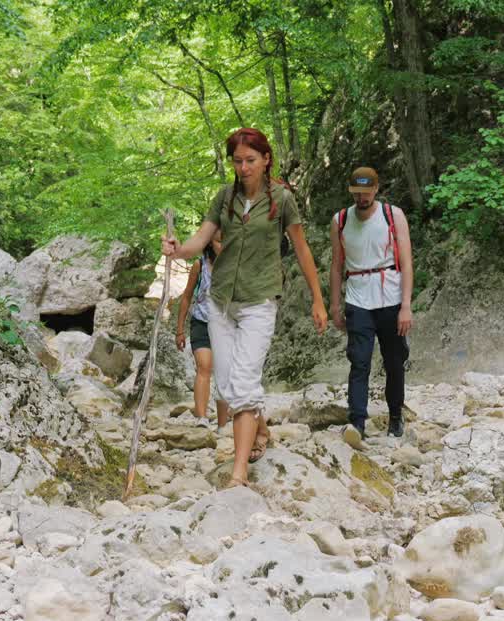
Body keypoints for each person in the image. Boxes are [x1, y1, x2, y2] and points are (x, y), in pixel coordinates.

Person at [162, 128, 328, 487]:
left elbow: (301, 249)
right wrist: (177, 249)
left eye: (250, 160)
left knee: (244, 381)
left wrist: (317, 298)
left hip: (259, 301)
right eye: (237, 161)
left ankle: (239, 472)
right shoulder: (224, 198)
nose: (243, 167)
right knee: (226, 385)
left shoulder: (282, 199)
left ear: (266, 160)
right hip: (220, 301)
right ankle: (261, 428)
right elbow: (200, 241)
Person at [328, 167, 414, 448]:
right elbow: (337, 265)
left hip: (390, 296)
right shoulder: (340, 220)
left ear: (376, 189)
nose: (362, 197)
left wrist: (406, 306)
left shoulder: (393, 215)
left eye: (366, 191)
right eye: (357, 192)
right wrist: (335, 304)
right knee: (359, 361)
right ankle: (357, 422)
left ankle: (395, 417)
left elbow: (407, 262)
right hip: (358, 298)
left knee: (393, 362)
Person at [175, 233, 230, 430]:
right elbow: (186, 297)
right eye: (218, 241)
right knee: (204, 367)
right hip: (201, 322)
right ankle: (202, 418)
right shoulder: (199, 265)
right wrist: (179, 330)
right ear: (209, 244)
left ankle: (223, 425)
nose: (221, 245)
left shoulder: (236, 265)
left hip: (226, 325)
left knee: (225, 372)